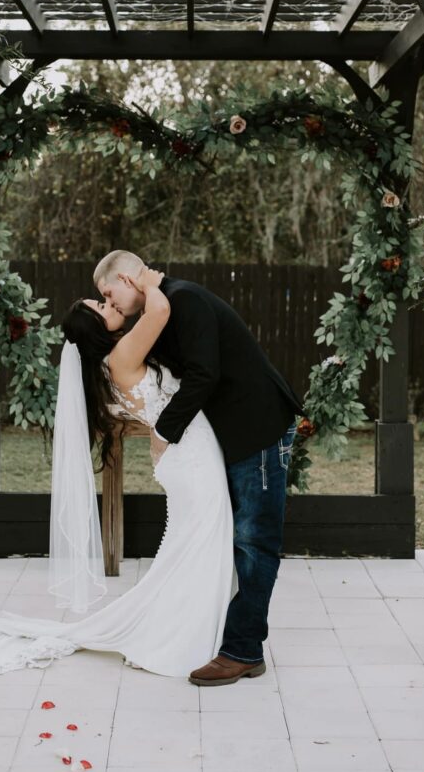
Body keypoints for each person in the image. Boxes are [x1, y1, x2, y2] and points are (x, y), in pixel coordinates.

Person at [0, 268, 238, 681]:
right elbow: (158, 311)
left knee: (190, 546)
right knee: (200, 544)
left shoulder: (111, 361)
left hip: (186, 455)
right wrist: (148, 281)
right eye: (102, 305)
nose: (110, 304)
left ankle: (190, 631)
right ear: (97, 328)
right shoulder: (121, 357)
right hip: (190, 457)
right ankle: (178, 639)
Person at [94, 251, 303, 686]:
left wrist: (163, 431)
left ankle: (243, 651)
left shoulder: (184, 300)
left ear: (128, 279)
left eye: (110, 294)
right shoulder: (161, 306)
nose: (111, 304)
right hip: (232, 433)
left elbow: (204, 374)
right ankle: (225, 635)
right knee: (237, 537)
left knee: (254, 540)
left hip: (258, 426)